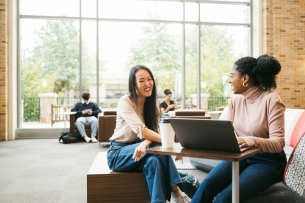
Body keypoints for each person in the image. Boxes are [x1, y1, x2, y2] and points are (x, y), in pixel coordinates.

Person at [191, 54, 287, 203]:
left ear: (245, 78)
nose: (230, 81)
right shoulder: (235, 100)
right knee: (206, 185)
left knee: (224, 199)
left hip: (268, 161)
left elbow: (278, 143)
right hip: (241, 155)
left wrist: (251, 141)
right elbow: (225, 131)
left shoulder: (271, 99)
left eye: (232, 76)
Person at [107, 65, 191, 203]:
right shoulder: (125, 102)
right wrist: (172, 145)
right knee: (159, 144)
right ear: (133, 84)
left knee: (153, 162)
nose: (147, 83)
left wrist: (145, 144)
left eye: (149, 79)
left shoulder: (153, 105)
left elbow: (154, 132)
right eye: (141, 80)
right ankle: (176, 192)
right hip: (118, 154)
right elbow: (143, 130)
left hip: (140, 151)